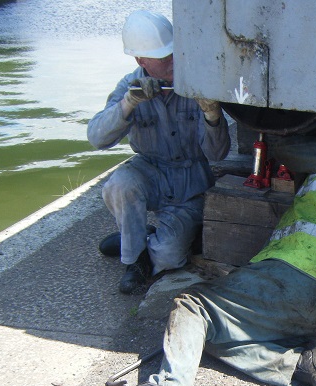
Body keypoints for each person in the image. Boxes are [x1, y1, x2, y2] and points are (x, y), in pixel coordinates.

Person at [92, 118, 316, 386]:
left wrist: (291, 130)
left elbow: (288, 151)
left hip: (296, 278)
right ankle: (297, 362)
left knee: (193, 307)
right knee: (212, 331)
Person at [87, 10, 230, 294]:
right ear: (141, 61)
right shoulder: (129, 85)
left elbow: (217, 155)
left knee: (169, 257)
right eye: (164, 58)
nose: (174, 62)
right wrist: (128, 104)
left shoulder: (196, 84)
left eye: (175, 53)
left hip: (191, 181)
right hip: (150, 168)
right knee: (120, 184)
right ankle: (134, 260)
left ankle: (139, 239)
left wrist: (213, 116)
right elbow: (97, 138)